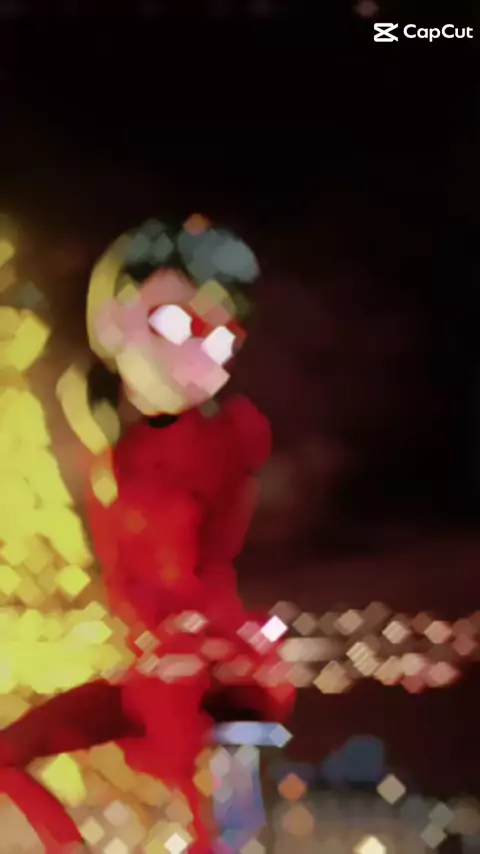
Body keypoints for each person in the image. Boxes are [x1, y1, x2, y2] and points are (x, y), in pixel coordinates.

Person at [0, 215, 295, 852]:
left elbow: (208, 561)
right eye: (173, 324)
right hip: (154, 669)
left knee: (215, 824)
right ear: (111, 318)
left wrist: (201, 638)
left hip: (197, 671)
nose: (200, 357)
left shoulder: (218, 443)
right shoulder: (112, 446)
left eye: (224, 341)